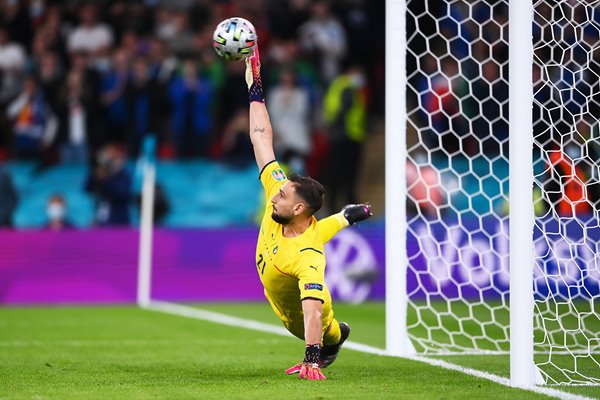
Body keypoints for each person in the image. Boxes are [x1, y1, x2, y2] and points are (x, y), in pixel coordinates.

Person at [244, 46, 372, 381]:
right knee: (336, 221)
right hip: (292, 269)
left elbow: (312, 312)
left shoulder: (308, 257)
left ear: (299, 208)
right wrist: (255, 91)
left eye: (282, 196)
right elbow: (260, 139)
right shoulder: (279, 191)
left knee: (330, 329)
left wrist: (312, 358)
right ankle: (350, 213)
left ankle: (337, 338)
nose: (274, 198)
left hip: (308, 325)